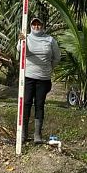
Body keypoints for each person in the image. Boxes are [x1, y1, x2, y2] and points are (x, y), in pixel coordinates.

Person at [18, 16, 61, 144]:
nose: (36, 27)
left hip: (43, 78)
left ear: (43, 26)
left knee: (39, 104)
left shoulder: (50, 40)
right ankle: (23, 133)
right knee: (26, 103)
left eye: (39, 24)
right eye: (34, 24)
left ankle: (37, 134)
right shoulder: (26, 37)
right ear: (31, 26)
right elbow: (20, 51)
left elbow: (57, 57)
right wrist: (21, 41)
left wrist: (48, 68)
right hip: (28, 77)